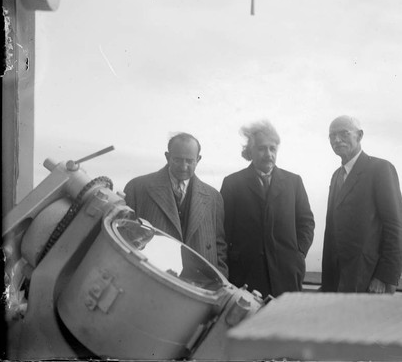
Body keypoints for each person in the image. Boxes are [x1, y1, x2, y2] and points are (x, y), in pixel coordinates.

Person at [220, 120, 315, 298]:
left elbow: (306, 222)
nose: (268, 154)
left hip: (286, 275)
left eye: (273, 148)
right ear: (250, 151)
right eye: (262, 148)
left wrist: (298, 254)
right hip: (246, 277)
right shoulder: (232, 183)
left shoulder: (293, 182)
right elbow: (223, 231)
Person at [321, 115, 402, 294]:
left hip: (369, 281)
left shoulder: (380, 169)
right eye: (332, 136)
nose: (337, 140)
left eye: (344, 134)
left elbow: (398, 227)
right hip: (338, 281)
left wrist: (384, 277)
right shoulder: (336, 176)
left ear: (359, 136)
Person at [123, 133, 228, 277]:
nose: (183, 167)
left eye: (189, 161)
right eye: (177, 160)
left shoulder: (214, 197)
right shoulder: (137, 188)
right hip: (151, 276)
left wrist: (220, 280)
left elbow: (219, 247)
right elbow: (124, 236)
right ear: (167, 157)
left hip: (199, 284)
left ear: (198, 159)